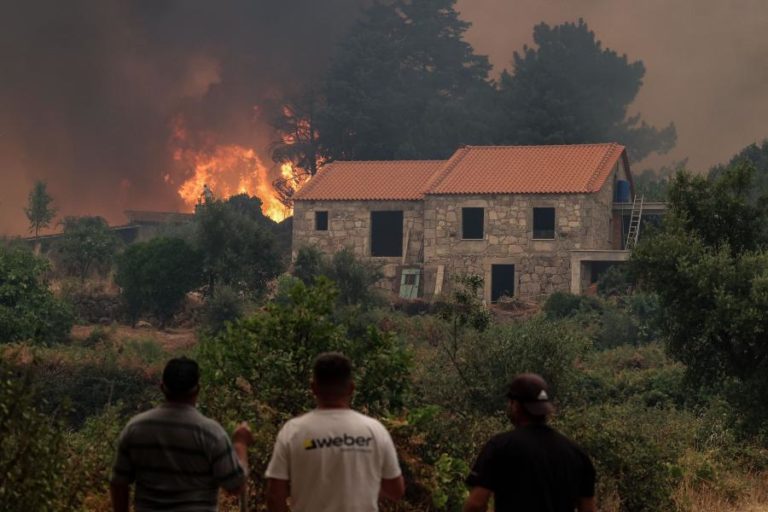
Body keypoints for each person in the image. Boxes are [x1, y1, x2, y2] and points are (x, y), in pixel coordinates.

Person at [265, 352, 405, 512]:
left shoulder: (293, 431)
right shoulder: (374, 430)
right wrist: (365, 491)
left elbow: (275, 495)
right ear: (352, 388)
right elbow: (396, 490)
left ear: (313, 387)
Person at [110, 357, 252, 512]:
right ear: (198, 389)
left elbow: (119, 483)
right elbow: (235, 486)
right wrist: (240, 444)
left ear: (162, 387)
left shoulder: (135, 428)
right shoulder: (211, 434)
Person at [463, 373, 596, 512]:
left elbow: (476, 504)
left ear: (516, 405)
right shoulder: (577, 454)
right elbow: (588, 508)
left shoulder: (500, 446)